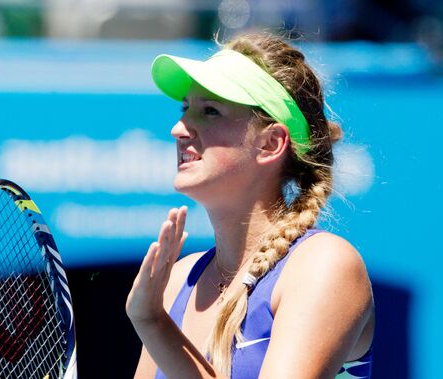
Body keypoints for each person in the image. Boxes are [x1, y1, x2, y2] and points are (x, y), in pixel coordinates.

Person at [125, 32, 375, 379]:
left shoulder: (324, 266)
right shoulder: (176, 280)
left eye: (210, 111)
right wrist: (154, 320)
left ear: (271, 143)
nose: (178, 129)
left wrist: (153, 324)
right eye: (186, 108)